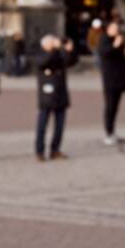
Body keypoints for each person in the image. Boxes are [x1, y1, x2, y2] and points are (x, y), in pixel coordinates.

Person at [34, 33, 78, 161]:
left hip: (60, 94)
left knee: (59, 126)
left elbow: (71, 62)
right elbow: (44, 62)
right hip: (46, 96)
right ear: (45, 44)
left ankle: (55, 149)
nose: (54, 44)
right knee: (42, 125)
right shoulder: (41, 54)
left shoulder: (59, 54)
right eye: (51, 42)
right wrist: (54, 49)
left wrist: (70, 50)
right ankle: (39, 151)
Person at [98, 17, 125, 144]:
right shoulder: (104, 40)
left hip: (119, 79)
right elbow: (104, 53)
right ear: (108, 29)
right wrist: (115, 45)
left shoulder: (119, 40)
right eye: (114, 28)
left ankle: (112, 132)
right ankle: (108, 133)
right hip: (110, 80)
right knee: (110, 107)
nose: (117, 30)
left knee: (115, 107)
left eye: (117, 28)